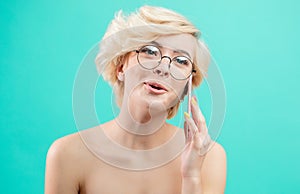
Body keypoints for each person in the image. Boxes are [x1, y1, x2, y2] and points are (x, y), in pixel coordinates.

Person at [45, 5, 226, 194]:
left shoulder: (210, 157)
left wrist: (191, 177)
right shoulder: (67, 154)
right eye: (150, 51)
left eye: (181, 61)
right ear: (121, 67)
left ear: (186, 88)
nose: (164, 68)